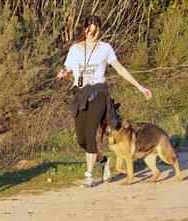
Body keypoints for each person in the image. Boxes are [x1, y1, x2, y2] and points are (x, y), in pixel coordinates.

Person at [57, 15, 152, 187]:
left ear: (100, 30)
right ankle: (104, 161)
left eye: (96, 31)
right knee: (82, 140)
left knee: (90, 133)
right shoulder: (75, 49)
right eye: (90, 31)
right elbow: (68, 68)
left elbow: (121, 69)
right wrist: (63, 73)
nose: (93, 34)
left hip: (99, 94)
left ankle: (88, 176)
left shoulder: (105, 49)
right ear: (85, 29)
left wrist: (139, 86)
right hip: (81, 94)